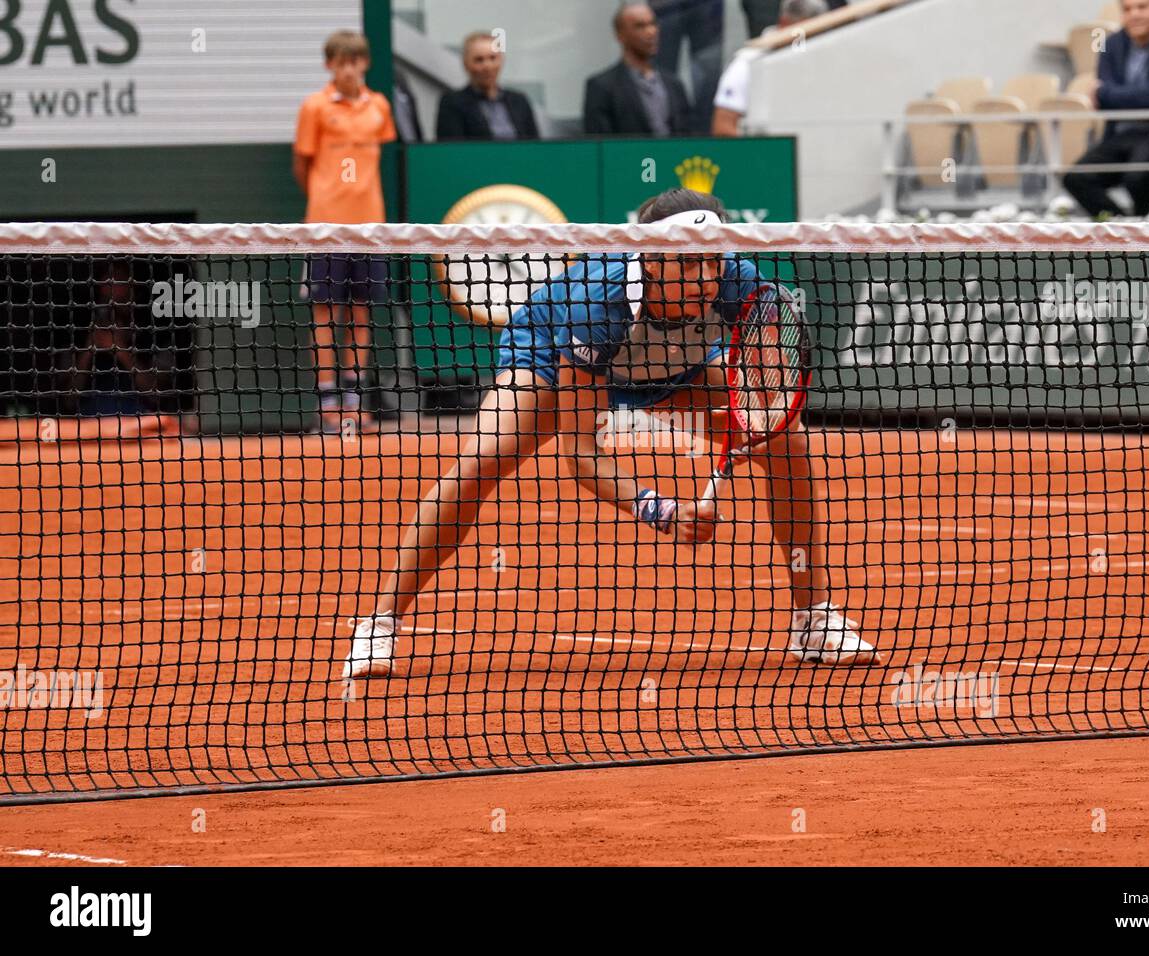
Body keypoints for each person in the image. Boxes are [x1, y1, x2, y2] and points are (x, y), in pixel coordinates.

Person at [339, 187, 879, 680]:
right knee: (484, 460)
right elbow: (581, 454)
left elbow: (766, 391)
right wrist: (661, 511)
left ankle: (813, 618)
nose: (707, 278)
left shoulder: (737, 283)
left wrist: (754, 421)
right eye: (690, 264)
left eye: (713, 260)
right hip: (553, 362)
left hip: (673, 371)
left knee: (788, 446)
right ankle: (380, 622)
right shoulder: (596, 302)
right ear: (651, 258)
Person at [293, 30, 397, 434]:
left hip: (370, 229)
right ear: (329, 65)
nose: (349, 68)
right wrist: (325, 203)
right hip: (325, 229)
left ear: (365, 63)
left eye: (356, 60)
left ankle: (353, 405)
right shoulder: (314, 107)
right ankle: (328, 404)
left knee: (361, 314)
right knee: (325, 316)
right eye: (341, 61)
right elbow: (302, 165)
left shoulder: (380, 108)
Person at [1062, 0, 1149, 218]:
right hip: (1119, 133)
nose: (1134, 15)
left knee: (1137, 178)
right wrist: (1113, 96)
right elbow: (1103, 103)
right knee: (1076, 178)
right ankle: (1119, 229)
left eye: (1142, 7)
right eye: (1127, 9)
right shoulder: (1111, 44)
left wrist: (1106, 93)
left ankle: (1146, 234)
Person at [712, 0, 828, 137]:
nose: (810, 42)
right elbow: (723, 127)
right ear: (785, 24)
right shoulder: (747, 64)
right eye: (804, 35)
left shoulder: (822, 63)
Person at [583, 2, 693, 136]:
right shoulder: (602, 87)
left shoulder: (674, 85)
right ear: (620, 34)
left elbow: (687, 138)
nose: (651, 32)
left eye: (653, 24)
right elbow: (600, 146)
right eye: (640, 26)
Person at [436, 31, 540, 141]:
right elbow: (451, 151)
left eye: (493, 58)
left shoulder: (520, 102)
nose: (487, 66)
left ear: (501, 60)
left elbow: (535, 147)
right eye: (479, 60)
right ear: (466, 64)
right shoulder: (452, 103)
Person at [650, 0, 723, 133]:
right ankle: (667, 132)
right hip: (664, 6)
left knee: (708, 74)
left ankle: (704, 135)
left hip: (706, 6)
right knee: (661, 75)